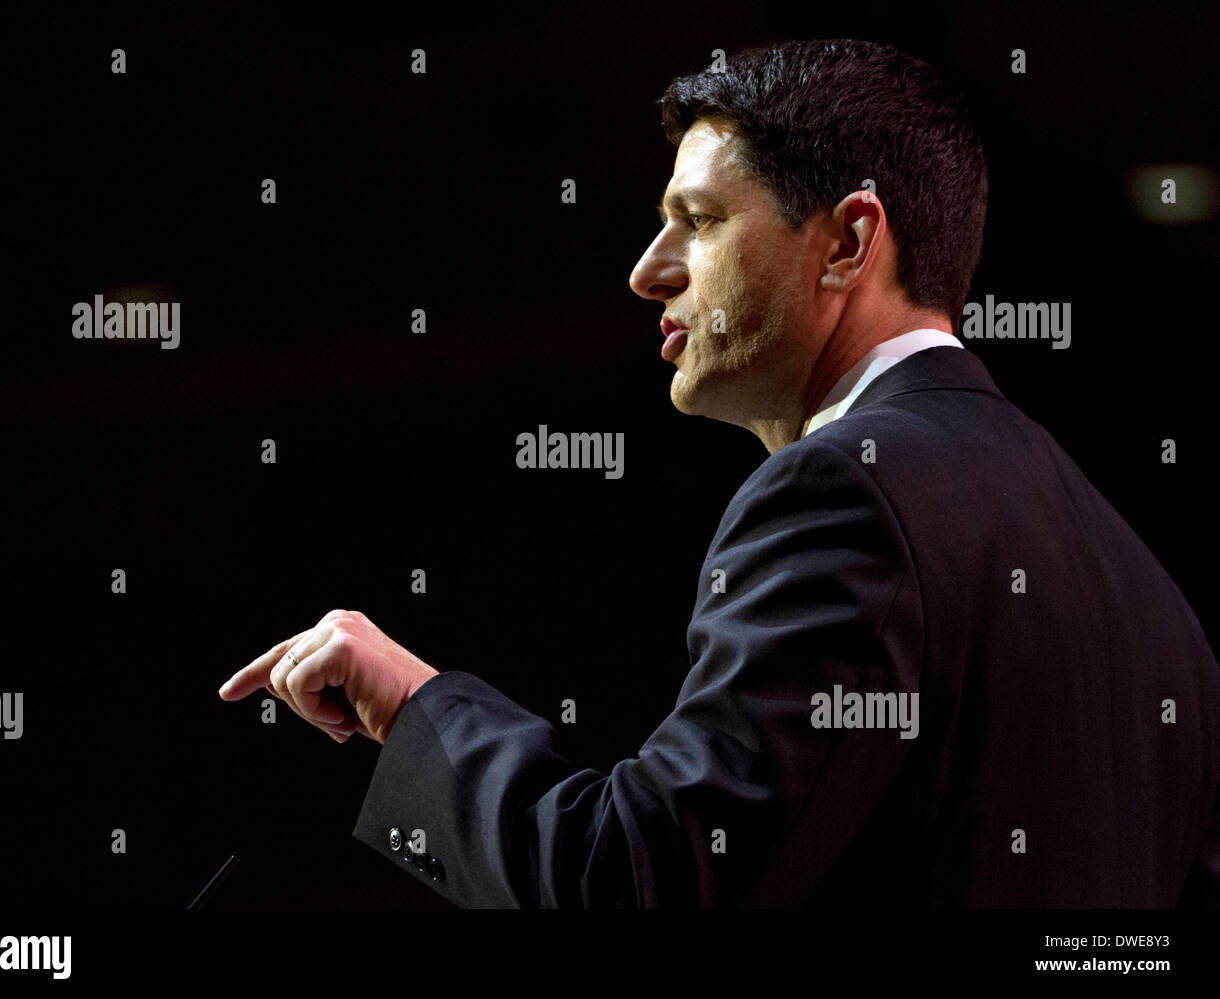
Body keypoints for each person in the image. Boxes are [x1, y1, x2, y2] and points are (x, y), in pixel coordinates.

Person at [217, 40, 1220, 907]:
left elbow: (643, 884)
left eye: (697, 221)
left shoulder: (846, 491)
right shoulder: (1150, 599)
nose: (648, 271)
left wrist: (415, 708)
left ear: (848, 241)